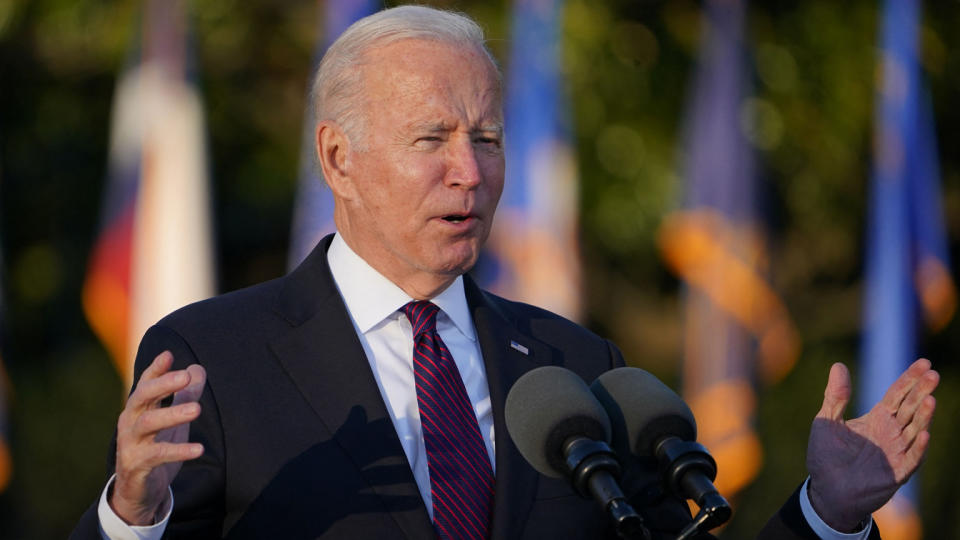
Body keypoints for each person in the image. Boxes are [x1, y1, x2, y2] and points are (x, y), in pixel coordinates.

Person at [71, 6, 939, 540]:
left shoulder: (579, 369)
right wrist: (133, 517)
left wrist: (830, 511)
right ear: (338, 159)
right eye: (433, 140)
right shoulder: (214, 357)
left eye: (487, 138)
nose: (471, 172)